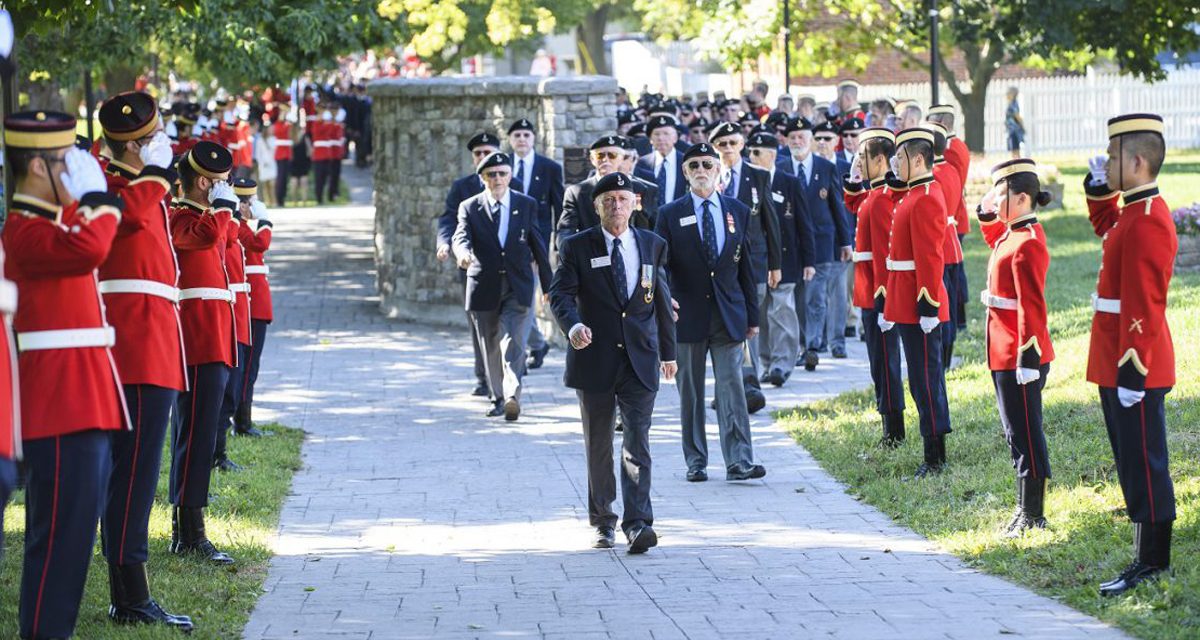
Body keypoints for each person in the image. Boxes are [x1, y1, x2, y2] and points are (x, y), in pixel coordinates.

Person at [4, 110, 127, 640]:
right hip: (58, 406)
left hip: (86, 400)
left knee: (73, 546)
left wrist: (90, 202)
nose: (74, 172)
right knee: (57, 546)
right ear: (36, 166)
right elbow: (93, 246)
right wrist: (95, 200)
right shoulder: (23, 231)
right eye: (63, 162)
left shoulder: (55, 223)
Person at [96, 91, 195, 630]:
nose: (165, 149)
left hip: (154, 340)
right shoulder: (107, 177)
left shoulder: (140, 182)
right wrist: (152, 172)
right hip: (132, 343)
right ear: (134, 143)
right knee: (131, 477)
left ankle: (131, 587)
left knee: (136, 475)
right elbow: (124, 219)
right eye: (154, 140)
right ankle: (128, 595)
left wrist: (152, 173)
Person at [549, 172, 676, 554]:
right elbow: (561, 295)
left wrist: (668, 353)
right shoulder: (577, 246)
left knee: (637, 441)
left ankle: (638, 524)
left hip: (641, 358)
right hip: (595, 357)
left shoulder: (652, 244)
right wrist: (572, 327)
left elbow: (661, 299)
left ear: (635, 203)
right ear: (596, 206)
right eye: (608, 200)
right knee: (599, 443)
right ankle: (603, 520)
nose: (616, 205)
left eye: (623, 198)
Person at [1084, 113, 1177, 597]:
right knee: (1130, 459)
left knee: (1144, 461)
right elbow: (1104, 224)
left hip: (1133, 364)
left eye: (1114, 156)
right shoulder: (1130, 211)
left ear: (1137, 162)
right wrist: (1098, 184)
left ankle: (1153, 560)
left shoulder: (1147, 221)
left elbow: (1145, 304)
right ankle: (1144, 553)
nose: (1109, 161)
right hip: (1116, 356)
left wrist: (1132, 369)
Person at [654, 142, 766, 483]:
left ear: (718, 170)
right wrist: (665, 304)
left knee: (732, 389)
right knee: (691, 392)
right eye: (694, 166)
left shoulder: (737, 210)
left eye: (707, 164)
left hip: (728, 314)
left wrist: (751, 317)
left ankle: (739, 461)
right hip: (686, 316)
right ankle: (696, 461)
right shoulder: (670, 214)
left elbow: (746, 265)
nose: (701, 171)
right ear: (685, 173)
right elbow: (659, 267)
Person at [976, 158, 1055, 537]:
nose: (994, 199)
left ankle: (1033, 514)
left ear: (1022, 199)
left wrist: (1029, 355)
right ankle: (1025, 509)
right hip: (1002, 348)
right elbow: (994, 241)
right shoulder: (1012, 233)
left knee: (1026, 433)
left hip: (1020, 354)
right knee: (1014, 432)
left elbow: (1032, 306)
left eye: (1001, 194)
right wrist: (986, 211)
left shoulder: (1028, 243)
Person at [170, 140, 239, 565]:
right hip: (197, 338)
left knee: (200, 434)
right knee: (192, 437)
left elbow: (226, 237)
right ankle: (189, 532)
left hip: (214, 335)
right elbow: (208, 234)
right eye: (219, 183)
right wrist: (222, 207)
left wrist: (222, 208)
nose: (225, 190)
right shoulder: (180, 216)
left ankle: (188, 526)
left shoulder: (205, 216)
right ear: (202, 183)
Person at [452, 151, 551, 421]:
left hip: (518, 284)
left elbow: (538, 245)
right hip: (484, 284)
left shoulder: (526, 203)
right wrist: (462, 253)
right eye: (491, 174)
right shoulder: (469, 206)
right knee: (490, 344)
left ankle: (512, 396)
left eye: (502, 173)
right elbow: (460, 236)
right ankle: (497, 397)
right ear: (482, 178)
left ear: (510, 176)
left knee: (515, 342)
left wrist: (549, 286)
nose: (497, 179)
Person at [881, 127, 952, 478]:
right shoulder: (915, 191)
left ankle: (935, 454)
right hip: (905, 296)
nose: (895, 163)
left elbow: (929, 257)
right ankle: (932, 447)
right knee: (920, 379)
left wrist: (928, 305)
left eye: (901, 157)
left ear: (919, 159)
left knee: (926, 379)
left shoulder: (926, 196)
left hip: (918, 301)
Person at [710, 121, 782, 412]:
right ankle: (731, 385)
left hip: (755, 261)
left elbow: (770, 222)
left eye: (733, 143)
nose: (728, 149)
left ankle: (746, 383)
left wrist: (775, 264)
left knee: (749, 322)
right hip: (722, 267)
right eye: (722, 145)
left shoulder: (759, 176)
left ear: (742, 144)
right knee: (726, 324)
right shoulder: (710, 176)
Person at [843, 128, 906, 447]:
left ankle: (893, 428)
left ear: (881, 161)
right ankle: (888, 422)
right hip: (869, 293)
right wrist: (854, 178)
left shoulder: (882, 200)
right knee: (877, 362)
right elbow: (854, 204)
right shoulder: (873, 194)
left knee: (885, 362)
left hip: (879, 296)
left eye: (863, 157)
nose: (858, 161)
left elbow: (884, 255)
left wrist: (884, 301)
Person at [778, 118, 852, 368]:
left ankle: (812, 345)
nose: (797, 142)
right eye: (793, 138)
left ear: (810, 140)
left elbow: (837, 207)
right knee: (798, 297)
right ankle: (802, 345)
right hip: (792, 244)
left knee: (816, 296)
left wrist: (845, 241)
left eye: (802, 137)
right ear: (786, 142)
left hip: (822, 240)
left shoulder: (825, 167)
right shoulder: (782, 168)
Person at [746, 132, 814, 386]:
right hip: (759, 260)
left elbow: (803, 224)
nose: (751, 157)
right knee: (762, 315)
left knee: (782, 311)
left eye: (756, 153)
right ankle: (766, 362)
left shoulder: (789, 182)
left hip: (786, 258)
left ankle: (782, 365)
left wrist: (809, 261)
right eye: (750, 152)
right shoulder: (749, 181)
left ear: (772, 155)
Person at [438, 133, 500, 398]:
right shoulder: (462, 187)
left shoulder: (509, 181)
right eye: (477, 154)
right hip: (472, 267)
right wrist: (445, 244)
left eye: (487, 151)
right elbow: (447, 220)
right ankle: (483, 377)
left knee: (508, 323)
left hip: (508, 268)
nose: (482, 157)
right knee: (478, 324)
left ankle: (506, 377)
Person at [506, 118, 565, 370]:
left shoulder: (548, 167)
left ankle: (527, 347)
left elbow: (558, 206)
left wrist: (556, 244)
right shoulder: (502, 166)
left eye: (526, 135)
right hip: (507, 241)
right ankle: (538, 343)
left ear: (533, 139)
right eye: (517, 135)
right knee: (515, 295)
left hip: (536, 240)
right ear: (510, 140)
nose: (521, 139)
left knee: (525, 294)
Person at [926, 105, 971, 330]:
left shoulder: (951, 150)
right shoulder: (953, 146)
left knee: (951, 276)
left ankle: (956, 319)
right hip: (952, 216)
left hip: (951, 218)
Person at [925, 120, 965, 368]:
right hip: (952, 241)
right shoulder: (951, 169)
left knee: (942, 306)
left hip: (940, 242)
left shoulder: (934, 177)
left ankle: (943, 358)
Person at [237, 186, 274, 438]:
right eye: (250, 201)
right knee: (247, 368)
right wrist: (266, 221)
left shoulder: (242, 225)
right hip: (250, 303)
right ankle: (242, 422)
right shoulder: (236, 225)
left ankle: (244, 419)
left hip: (256, 302)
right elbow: (260, 243)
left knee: (252, 367)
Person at [634, 114, 688, 207]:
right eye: (656, 134)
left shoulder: (686, 161)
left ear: (675, 138)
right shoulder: (642, 163)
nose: (661, 138)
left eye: (666, 134)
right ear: (650, 139)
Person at [272, 101, 295, 206]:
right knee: (280, 177)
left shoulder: (288, 123)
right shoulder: (278, 124)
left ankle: (283, 198)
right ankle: (279, 199)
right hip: (280, 153)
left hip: (287, 152)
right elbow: (278, 132)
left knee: (285, 178)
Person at [1005, 87, 1024, 159]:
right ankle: (1015, 162)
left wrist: (1022, 124)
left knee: (1015, 148)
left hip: (1014, 129)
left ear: (1013, 94)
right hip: (1011, 129)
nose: (1006, 95)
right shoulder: (1011, 103)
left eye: (1008, 93)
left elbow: (1017, 115)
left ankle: (1017, 163)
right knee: (1013, 148)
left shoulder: (1013, 104)